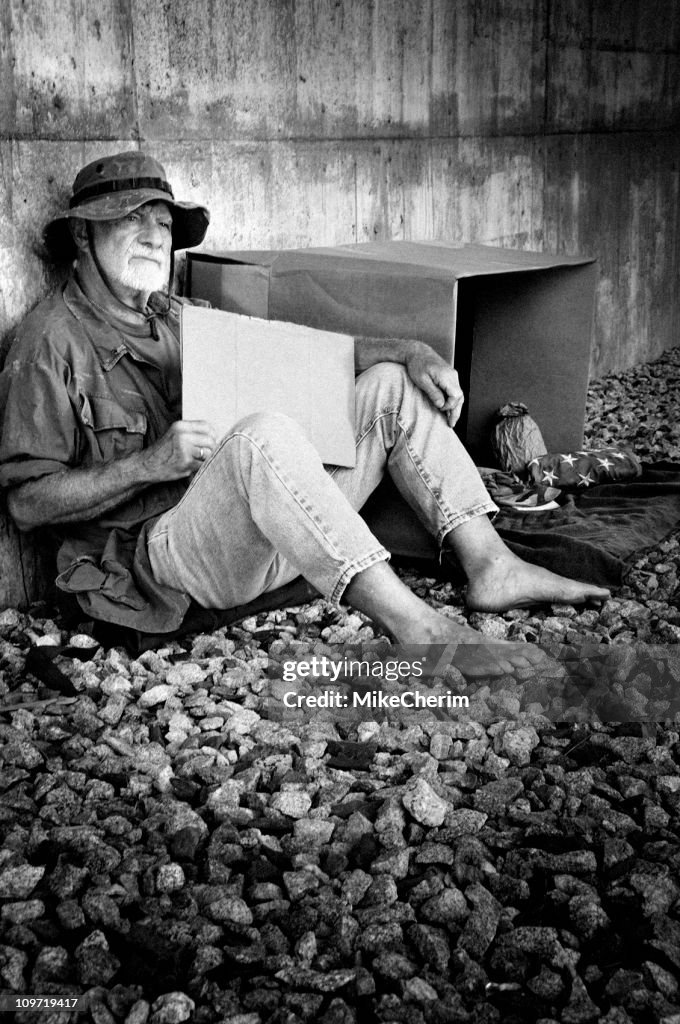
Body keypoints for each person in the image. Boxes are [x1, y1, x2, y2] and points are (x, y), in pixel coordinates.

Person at [0, 152, 608, 677]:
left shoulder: (176, 314)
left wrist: (406, 350)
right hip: (156, 560)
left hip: (257, 530)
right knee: (263, 436)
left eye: (161, 222)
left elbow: (303, 352)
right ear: (82, 235)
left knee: (392, 386)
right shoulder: (50, 341)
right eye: (132, 219)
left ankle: (492, 565)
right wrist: (146, 466)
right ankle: (417, 627)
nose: (155, 235)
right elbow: (28, 504)